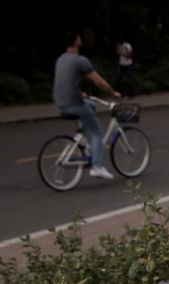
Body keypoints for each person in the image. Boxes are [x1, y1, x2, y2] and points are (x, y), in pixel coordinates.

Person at [53, 32, 120, 179]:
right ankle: (97, 167)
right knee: (97, 133)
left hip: (60, 103)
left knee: (90, 105)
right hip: (74, 104)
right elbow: (99, 82)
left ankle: (81, 135)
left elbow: (65, 81)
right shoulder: (80, 60)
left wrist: (80, 92)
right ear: (77, 42)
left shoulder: (61, 59)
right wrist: (112, 92)